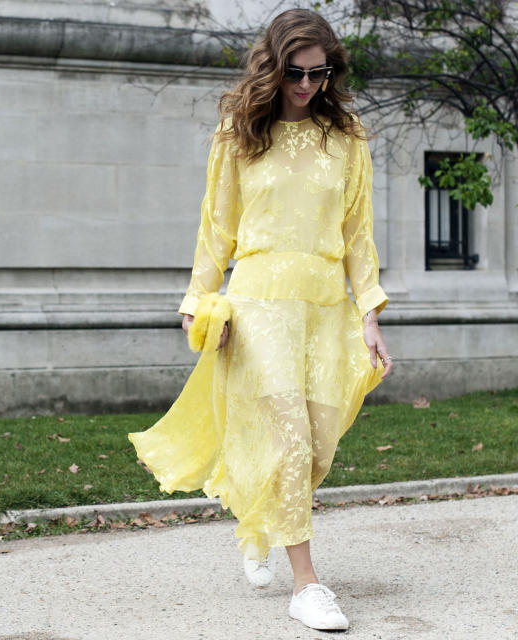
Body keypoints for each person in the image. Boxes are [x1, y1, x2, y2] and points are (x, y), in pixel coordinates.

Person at [128, 8, 393, 632]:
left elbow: (358, 234)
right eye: (296, 73)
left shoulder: (348, 135)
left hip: (325, 305)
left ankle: (257, 519)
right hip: (260, 304)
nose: (307, 86)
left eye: (320, 73)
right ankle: (308, 585)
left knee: (319, 444)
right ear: (274, 67)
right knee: (292, 439)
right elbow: (215, 227)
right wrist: (198, 300)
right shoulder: (240, 131)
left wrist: (371, 313)